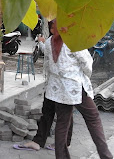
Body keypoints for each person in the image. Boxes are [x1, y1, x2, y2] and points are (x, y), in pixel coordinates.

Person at [44, 20, 113, 159]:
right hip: (75, 87)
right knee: (93, 118)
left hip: (58, 88)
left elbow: (47, 65)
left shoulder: (48, 42)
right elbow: (87, 63)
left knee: (62, 123)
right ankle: (106, 156)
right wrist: (84, 77)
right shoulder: (73, 41)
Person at [16, 20, 73, 151]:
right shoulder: (51, 41)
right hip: (52, 85)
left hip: (67, 86)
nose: (54, 29)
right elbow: (47, 52)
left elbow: (85, 63)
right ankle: (38, 141)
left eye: (56, 27)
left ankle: (64, 143)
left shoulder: (71, 42)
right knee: (47, 112)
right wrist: (42, 42)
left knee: (65, 115)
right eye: (52, 27)